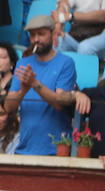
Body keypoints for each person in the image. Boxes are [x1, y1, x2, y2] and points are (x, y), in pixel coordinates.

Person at [5, 14, 78, 155]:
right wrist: (22, 92)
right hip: (24, 149)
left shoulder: (66, 62)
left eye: (41, 34)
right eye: (32, 35)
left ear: (53, 34)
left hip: (56, 150)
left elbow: (60, 102)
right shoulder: (23, 63)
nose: (36, 39)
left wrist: (34, 83)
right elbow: (8, 107)